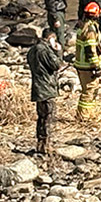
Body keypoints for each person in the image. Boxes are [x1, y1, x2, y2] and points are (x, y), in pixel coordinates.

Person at [27, 27, 64, 155]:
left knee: (41, 117)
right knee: (48, 117)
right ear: (50, 38)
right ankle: (46, 146)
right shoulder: (45, 50)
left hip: (37, 87)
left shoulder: (32, 50)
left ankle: (40, 144)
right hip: (47, 87)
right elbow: (57, 65)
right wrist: (58, 51)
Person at [74, 3, 101, 120]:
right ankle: (84, 116)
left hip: (80, 64)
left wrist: (100, 46)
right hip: (88, 66)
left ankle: (89, 113)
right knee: (89, 90)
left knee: (88, 90)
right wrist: (96, 66)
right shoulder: (90, 29)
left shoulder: (82, 26)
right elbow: (90, 49)